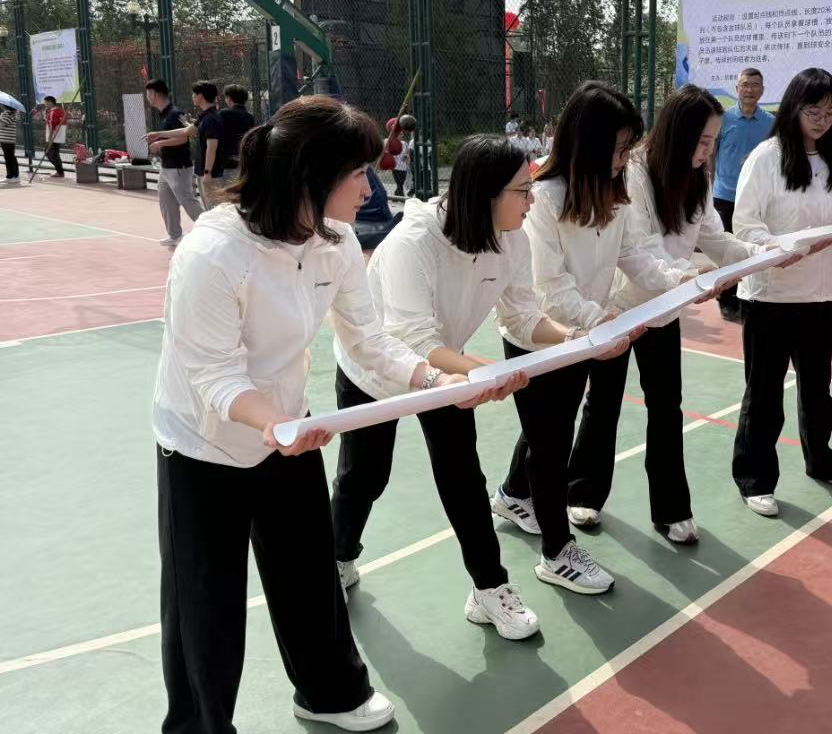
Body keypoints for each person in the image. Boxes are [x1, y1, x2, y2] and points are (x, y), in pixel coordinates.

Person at [151, 96, 494, 733]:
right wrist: (273, 425)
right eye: (358, 173)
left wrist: (435, 380)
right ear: (311, 176)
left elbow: (369, 339)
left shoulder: (334, 244)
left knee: (308, 574)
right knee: (204, 600)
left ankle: (330, 694)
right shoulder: (212, 253)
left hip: (288, 428)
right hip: (204, 444)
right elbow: (214, 376)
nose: (370, 186)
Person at [330, 133, 580, 641]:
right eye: (522, 191)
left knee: (463, 476)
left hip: (447, 368)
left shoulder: (513, 238)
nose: (532, 202)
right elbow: (413, 339)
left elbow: (523, 316)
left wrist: (577, 337)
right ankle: (337, 556)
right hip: (378, 369)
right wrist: (482, 373)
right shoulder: (413, 243)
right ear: (486, 193)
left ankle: (490, 588)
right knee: (366, 476)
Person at [492, 80, 693, 595]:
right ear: (589, 142)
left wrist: (678, 281)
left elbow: (633, 254)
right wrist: (597, 320)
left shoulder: (613, 193)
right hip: (540, 336)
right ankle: (556, 553)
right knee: (551, 442)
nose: (626, 159)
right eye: (620, 148)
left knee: (549, 430)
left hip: (583, 335)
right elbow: (548, 286)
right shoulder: (544, 198)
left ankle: (513, 496)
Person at [570, 84, 777, 545]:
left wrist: (764, 254)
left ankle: (671, 509)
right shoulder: (635, 174)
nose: (707, 152)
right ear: (678, 134)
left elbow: (716, 238)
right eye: (701, 141)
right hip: (620, 309)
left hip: (665, 310)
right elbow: (640, 249)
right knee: (603, 403)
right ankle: (582, 492)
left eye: (713, 142)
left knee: (666, 406)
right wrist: (687, 277)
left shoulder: (697, 178)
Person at [731, 67, 832, 518]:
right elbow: (744, 226)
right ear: (793, 107)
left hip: (816, 296)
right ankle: (755, 478)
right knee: (764, 395)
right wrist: (776, 249)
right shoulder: (765, 158)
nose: (823, 121)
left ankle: (822, 461)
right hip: (769, 296)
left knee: (817, 390)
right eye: (815, 111)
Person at [712, 67, 772, 323]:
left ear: (762, 90)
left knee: (754, 249)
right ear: (737, 89)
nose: (749, 90)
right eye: (745, 85)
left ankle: (749, 299)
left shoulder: (771, 123)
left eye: (755, 85)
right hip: (724, 195)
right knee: (727, 252)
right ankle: (727, 300)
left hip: (757, 198)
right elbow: (711, 153)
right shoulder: (723, 119)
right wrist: (710, 184)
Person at [143, 79, 205, 248]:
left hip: (179, 167)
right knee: (165, 200)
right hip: (166, 167)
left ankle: (210, 230)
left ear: (154, 94)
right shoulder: (162, 114)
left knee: (187, 201)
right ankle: (175, 234)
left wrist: (159, 143)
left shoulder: (175, 113)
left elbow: (183, 138)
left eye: (148, 94)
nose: (147, 97)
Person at [191, 80, 226, 200]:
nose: (192, 96)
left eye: (194, 93)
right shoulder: (207, 116)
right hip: (206, 172)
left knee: (214, 207)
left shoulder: (210, 119)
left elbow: (212, 147)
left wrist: (207, 172)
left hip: (211, 174)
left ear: (200, 96)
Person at [217, 84, 256, 174]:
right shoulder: (250, 117)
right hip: (244, 162)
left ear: (229, 98)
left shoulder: (222, 114)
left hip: (226, 164)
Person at [42, 96, 67, 177]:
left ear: (50, 102)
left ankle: (60, 171)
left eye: (45, 102)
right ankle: (60, 171)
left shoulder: (53, 111)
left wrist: (50, 136)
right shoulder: (59, 111)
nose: (45, 104)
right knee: (53, 153)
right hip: (58, 135)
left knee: (51, 153)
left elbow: (52, 123)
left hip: (54, 136)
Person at [1, 105, 20, 184]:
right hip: (7, 139)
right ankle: (11, 176)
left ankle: (14, 176)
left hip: (7, 140)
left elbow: (2, 124)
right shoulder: (10, 114)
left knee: (10, 158)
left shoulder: (8, 114)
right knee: (9, 158)